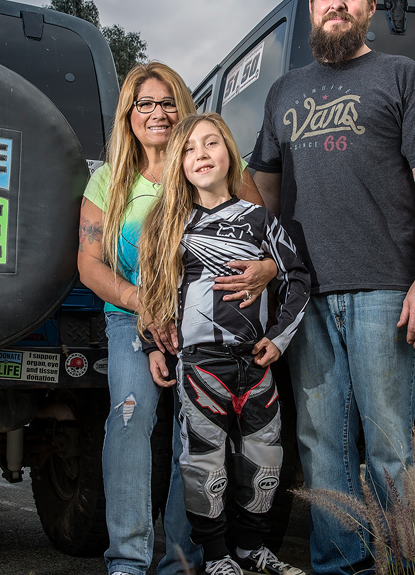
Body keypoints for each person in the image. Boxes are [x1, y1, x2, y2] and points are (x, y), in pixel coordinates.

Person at [249, 0, 415, 573]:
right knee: (321, 448)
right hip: (305, 296)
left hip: (386, 293)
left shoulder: (399, 77)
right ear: (311, 8)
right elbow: (262, 188)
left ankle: (399, 565)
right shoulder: (284, 92)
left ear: (370, 8)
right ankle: (340, 565)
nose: (337, 3)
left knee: (390, 446)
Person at [78, 63, 278, 575]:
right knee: (130, 419)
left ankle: (184, 560)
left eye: (167, 102)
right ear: (129, 114)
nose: (158, 113)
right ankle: (127, 558)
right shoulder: (108, 180)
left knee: (195, 433)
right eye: (145, 103)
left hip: (205, 322)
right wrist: (144, 306)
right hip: (132, 317)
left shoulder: (208, 166)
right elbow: (88, 264)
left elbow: (266, 236)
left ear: (183, 108)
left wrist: (267, 269)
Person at [138, 113, 310, 575]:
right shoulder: (169, 223)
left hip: (255, 363)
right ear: (180, 163)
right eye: (190, 148)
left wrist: (278, 339)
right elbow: (151, 293)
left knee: (265, 460)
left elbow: (298, 277)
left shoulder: (259, 219)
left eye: (211, 143)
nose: (201, 155)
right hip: (199, 365)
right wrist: (150, 344)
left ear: (230, 153)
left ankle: (254, 549)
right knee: (203, 466)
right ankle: (216, 557)